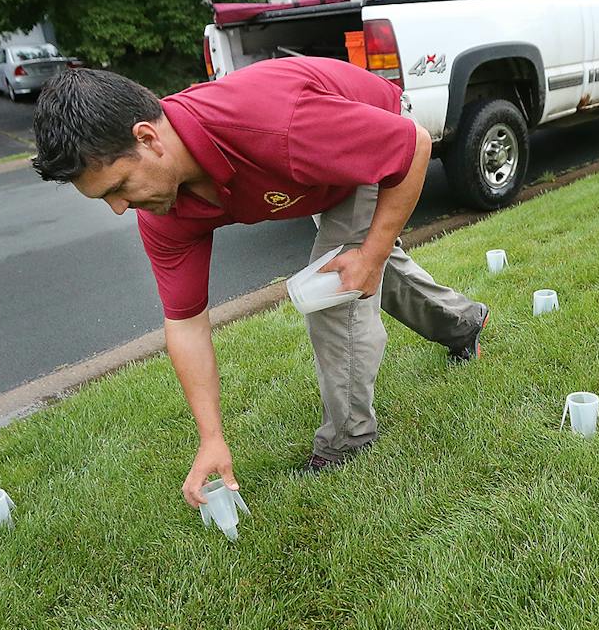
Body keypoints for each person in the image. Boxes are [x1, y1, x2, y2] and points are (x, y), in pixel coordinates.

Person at [31, 57, 489, 508]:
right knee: (357, 270)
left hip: (377, 129)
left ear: (147, 138)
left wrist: (372, 254)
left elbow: (412, 147)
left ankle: (348, 442)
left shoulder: (274, 125)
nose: (118, 208)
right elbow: (186, 325)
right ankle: (464, 323)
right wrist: (211, 438)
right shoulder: (162, 209)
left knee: (340, 288)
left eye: (118, 187)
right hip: (318, 168)